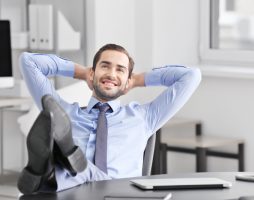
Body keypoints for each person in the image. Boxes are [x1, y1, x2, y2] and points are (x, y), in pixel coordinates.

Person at [17, 43, 201, 194]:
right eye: (105, 66)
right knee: (72, 163)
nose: (111, 74)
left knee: (73, 168)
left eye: (120, 70)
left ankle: (50, 170)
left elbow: (191, 76)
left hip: (121, 196)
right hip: (73, 195)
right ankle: (63, 164)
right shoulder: (62, 113)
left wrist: (137, 80)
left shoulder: (144, 117)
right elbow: (28, 61)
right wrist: (81, 72)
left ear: (128, 79)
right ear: (92, 73)